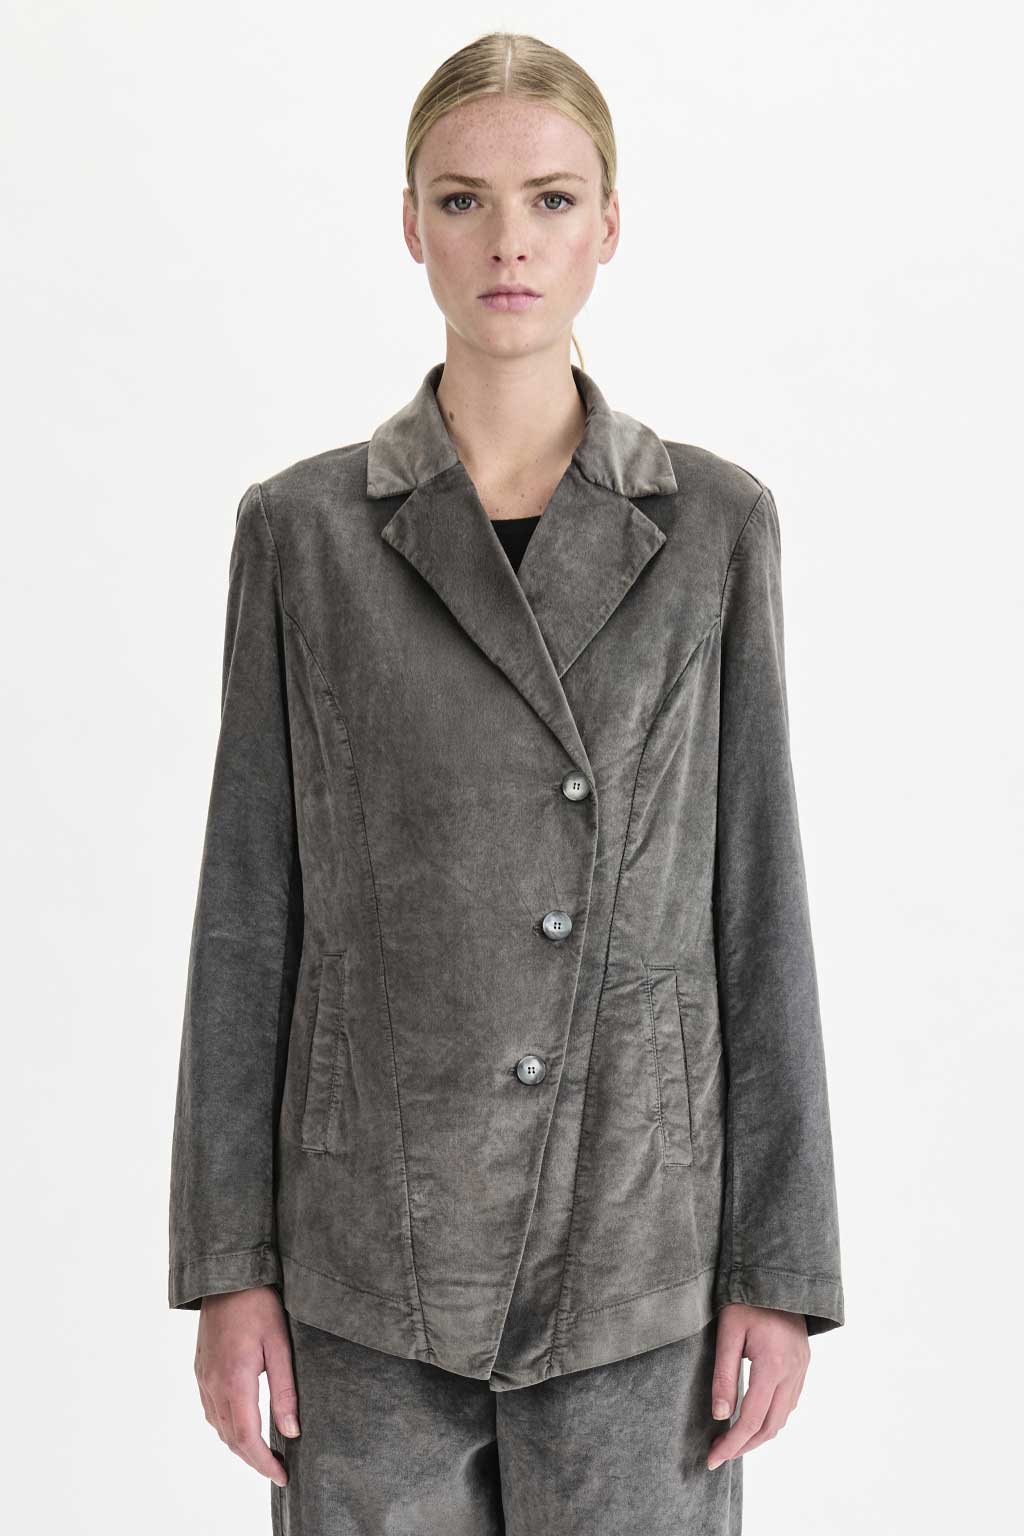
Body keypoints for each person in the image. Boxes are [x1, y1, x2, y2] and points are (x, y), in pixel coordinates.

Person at [168, 30, 845, 1535]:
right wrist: (228, 1268)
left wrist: (780, 1268)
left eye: (551, 199)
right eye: (463, 200)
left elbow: (759, 904)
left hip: (640, 1253)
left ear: (611, 224)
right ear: (411, 225)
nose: (509, 243)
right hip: (367, 1254)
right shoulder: (306, 532)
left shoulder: (713, 525)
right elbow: (247, 911)